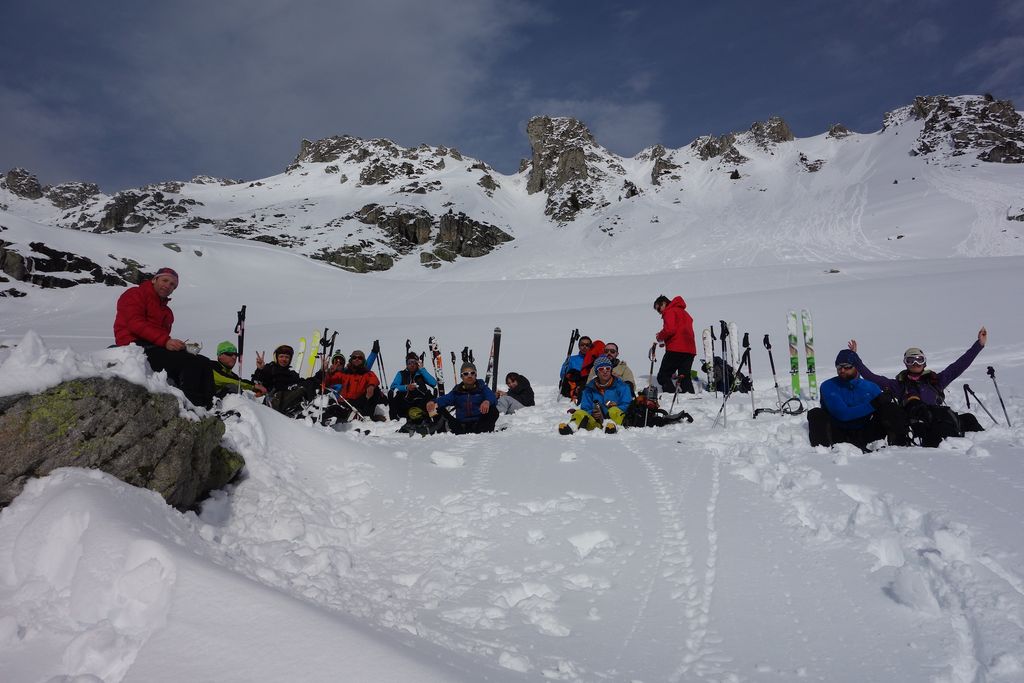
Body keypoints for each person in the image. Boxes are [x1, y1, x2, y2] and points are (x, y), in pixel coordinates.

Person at [846, 329, 986, 447]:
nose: (915, 363)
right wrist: (855, 359)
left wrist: (978, 345)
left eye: (919, 359)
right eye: (910, 360)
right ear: (905, 364)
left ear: (924, 362)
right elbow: (872, 377)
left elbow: (958, 366)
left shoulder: (935, 381)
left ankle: (984, 446)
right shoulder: (899, 385)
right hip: (913, 424)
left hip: (936, 418)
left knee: (969, 418)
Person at [113, 267, 215, 409]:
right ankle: (194, 406)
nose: (168, 286)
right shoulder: (136, 294)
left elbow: (159, 335)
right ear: (154, 280)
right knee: (191, 363)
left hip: (154, 346)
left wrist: (177, 345)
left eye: (173, 285)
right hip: (133, 346)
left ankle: (209, 406)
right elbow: (135, 324)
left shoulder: (166, 311)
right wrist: (165, 341)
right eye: (165, 280)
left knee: (204, 362)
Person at [807, 349, 909, 450]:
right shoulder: (828, 386)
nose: (842, 370)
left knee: (890, 408)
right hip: (837, 434)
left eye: (847, 367)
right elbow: (843, 414)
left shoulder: (871, 387)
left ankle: (899, 448)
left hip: (865, 433)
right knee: (815, 413)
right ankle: (821, 452)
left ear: (856, 367)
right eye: (839, 367)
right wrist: (874, 404)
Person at [559, 356, 633, 434]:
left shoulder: (622, 386)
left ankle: (612, 426)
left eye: (607, 368)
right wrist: (592, 413)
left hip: (616, 419)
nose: (605, 371)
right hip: (596, 422)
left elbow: (628, 404)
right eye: (601, 369)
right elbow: (585, 408)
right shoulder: (589, 389)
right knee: (579, 413)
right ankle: (572, 426)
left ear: (611, 370)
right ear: (597, 372)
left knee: (613, 411)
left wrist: (617, 406)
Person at [427, 362, 499, 434]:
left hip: (480, 424)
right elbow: (444, 399)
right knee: (435, 406)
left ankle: (487, 432)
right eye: (466, 374)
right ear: (461, 377)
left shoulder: (482, 387)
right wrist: (433, 402)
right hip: (461, 426)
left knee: (493, 410)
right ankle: (438, 428)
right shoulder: (457, 391)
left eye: (472, 373)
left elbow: (492, 397)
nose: (469, 376)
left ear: (476, 375)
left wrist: (487, 401)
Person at [653, 294, 696, 394]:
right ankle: (690, 399)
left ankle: (670, 396)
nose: (659, 312)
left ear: (663, 303)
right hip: (690, 349)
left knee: (663, 376)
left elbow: (670, 329)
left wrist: (660, 336)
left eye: (658, 309)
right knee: (684, 377)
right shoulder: (684, 312)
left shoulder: (670, 311)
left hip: (676, 348)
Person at [335, 349, 388, 421]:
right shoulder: (345, 372)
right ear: (351, 360)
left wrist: (371, 386)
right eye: (354, 357)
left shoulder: (366, 373)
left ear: (363, 361)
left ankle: (368, 416)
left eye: (360, 358)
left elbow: (373, 378)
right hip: (346, 402)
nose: (357, 359)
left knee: (376, 390)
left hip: (360, 401)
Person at [253, 344, 307, 415]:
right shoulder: (270, 369)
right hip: (272, 404)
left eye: (287, 357)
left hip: (287, 406)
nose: (284, 359)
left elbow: (305, 383)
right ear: (277, 358)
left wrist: (322, 372)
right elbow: (257, 382)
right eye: (281, 356)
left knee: (304, 387)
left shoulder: (293, 375)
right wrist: (260, 370)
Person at [389, 352, 437, 420]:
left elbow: (433, 383)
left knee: (429, 395)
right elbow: (394, 387)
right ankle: (394, 419)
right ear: (406, 364)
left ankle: (433, 417)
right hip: (405, 402)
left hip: (421, 402)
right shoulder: (401, 374)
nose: (412, 365)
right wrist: (406, 387)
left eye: (414, 362)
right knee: (393, 394)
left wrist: (422, 370)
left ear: (417, 363)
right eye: (409, 363)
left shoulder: (421, 373)